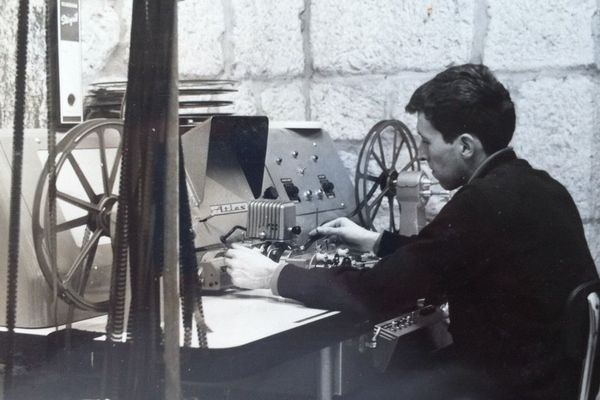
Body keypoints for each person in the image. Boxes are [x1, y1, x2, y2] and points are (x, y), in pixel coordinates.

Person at [223, 64, 598, 399]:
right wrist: (377, 241)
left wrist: (273, 276)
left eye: (426, 140)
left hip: (505, 386)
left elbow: (374, 293)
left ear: (465, 146)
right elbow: (453, 255)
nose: (419, 154)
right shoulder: (541, 186)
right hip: (550, 381)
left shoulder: (479, 203)